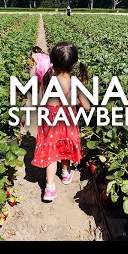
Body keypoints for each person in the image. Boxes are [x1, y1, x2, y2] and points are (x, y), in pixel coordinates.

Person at [31, 41, 90, 201]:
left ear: (52, 62)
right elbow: (86, 106)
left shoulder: (47, 80)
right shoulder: (75, 84)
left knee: (51, 153)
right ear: (74, 63)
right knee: (65, 147)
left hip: (50, 123)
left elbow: (38, 103)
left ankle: (49, 188)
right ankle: (65, 173)